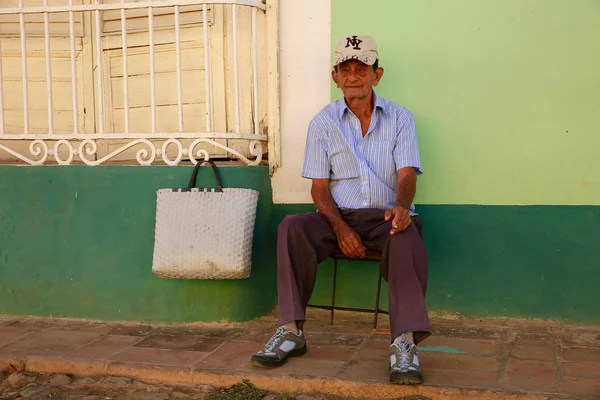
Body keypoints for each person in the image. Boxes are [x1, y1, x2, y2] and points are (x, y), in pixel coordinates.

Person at [251, 35, 431, 385]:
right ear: (336, 77)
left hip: (385, 215)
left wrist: (401, 207)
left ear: (376, 75)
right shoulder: (323, 123)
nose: (353, 77)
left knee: (404, 232)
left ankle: (403, 344)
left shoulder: (401, 119)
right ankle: (290, 331)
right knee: (292, 227)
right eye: (345, 69)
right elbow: (319, 188)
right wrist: (339, 228)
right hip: (338, 215)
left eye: (361, 69)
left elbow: (406, 174)